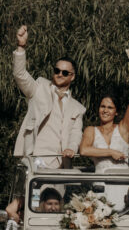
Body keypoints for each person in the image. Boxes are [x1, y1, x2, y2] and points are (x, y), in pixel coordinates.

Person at [12, 25, 86, 168]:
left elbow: (76, 134)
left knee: (56, 192)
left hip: (60, 164)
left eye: (65, 72)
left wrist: (71, 149)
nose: (59, 74)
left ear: (72, 77)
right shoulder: (39, 87)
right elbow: (19, 74)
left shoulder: (78, 108)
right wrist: (21, 46)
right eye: (57, 70)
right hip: (34, 159)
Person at [79, 71, 129, 173]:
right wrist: (111, 152)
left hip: (122, 184)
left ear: (116, 112)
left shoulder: (122, 129)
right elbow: (84, 150)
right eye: (103, 106)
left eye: (110, 108)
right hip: (101, 186)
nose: (105, 111)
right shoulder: (91, 130)